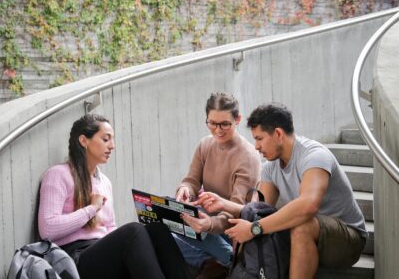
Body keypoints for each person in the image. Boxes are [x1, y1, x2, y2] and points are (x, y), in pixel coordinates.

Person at [195, 103, 368, 279]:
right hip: (308, 240)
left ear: (278, 134)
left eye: (260, 138)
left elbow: (308, 206)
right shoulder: (271, 167)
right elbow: (258, 210)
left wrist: (254, 229)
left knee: (301, 225)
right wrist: (224, 204)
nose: (256, 146)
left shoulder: (314, 155)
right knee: (264, 223)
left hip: (347, 240)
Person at [38, 114, 189, 279]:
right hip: (74, 259)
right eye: (105, 139)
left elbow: (110, 228)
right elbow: (47, 229)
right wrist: (92, 209)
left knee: (157, 230)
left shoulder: (104, 182)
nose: (112, 146)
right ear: (83, 140)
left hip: (103, 254)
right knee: (133, 231)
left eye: (113, 140)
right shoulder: (58, 175)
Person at [174, 92, 261, 276]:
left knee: (185, 231)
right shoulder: (205, 145)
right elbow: (191, 181)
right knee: (158, 227)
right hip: (206, 221)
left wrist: (209, 225)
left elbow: (237, 209)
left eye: (224, 124)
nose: (218, 130)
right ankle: (211, 261)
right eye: (212, 123)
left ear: (237, 120)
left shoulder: (248, 157)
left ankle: (230, 258)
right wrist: (185, 190)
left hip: (230, 228)